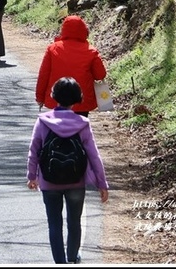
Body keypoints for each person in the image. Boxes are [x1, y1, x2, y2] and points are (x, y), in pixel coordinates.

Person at [26, 77, 109, 264]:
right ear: (77, 98)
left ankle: (60, 262)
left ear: (54, 96)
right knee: (74, 221)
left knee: (54, 223)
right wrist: (102, 183)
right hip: (76, 181)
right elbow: (94, 155)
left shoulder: (43, 122)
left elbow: (34, 150)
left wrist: (32, 176)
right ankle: (72, 257)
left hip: (49, 181)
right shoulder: (82, 123)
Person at [35, 15, 107, 116]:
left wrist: (40, 97)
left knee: (57, 125)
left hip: (58, 100)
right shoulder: (91, 51)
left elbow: (44, 75)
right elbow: (100, 75)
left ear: (63, 30)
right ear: (84, 31)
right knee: (80, 124)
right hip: (81, 100)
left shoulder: (52, 49)